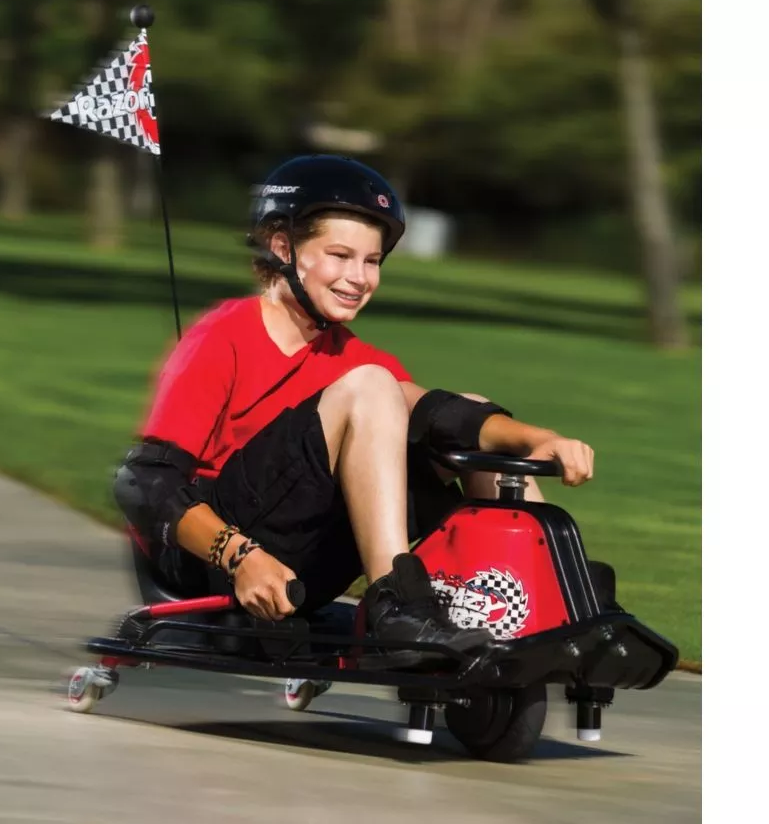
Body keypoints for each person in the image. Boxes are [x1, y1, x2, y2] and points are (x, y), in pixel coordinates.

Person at [113, 154, 594, 666]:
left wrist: (536, 439)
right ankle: (398, 606)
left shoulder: (359, 361)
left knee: (461, 414)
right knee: (374, 387)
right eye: (340, 255)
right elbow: (144, 483)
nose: (359, 277)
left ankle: (553, 609)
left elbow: (445, 416)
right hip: (211, 558)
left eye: (372, 261)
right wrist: (240, 556)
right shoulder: (225, 334)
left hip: (306, 560)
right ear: (283, 248)